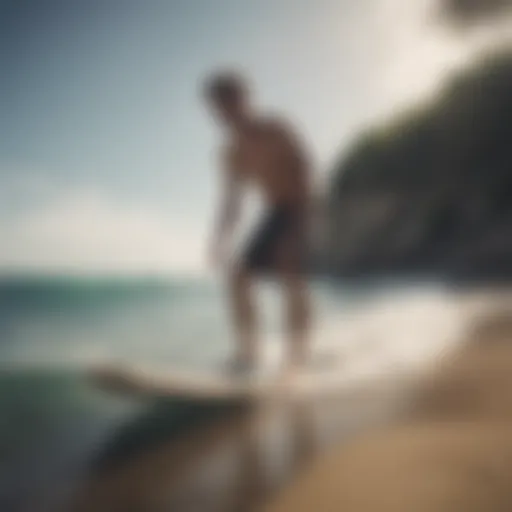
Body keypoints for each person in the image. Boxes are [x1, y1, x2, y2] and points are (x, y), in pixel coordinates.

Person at [203, 71, 312, 380]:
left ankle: (298, 354)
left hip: (302, 204)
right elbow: (231, 202)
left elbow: (305, 167)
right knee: (237, 277)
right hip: (275, 210)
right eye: (218, 107)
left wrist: (304, 221)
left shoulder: (276, 128)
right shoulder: (231, 153)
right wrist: (219, 241)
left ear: (245, 100)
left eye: (230, 102)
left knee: (291, 272)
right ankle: (249, 353)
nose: (225, 112)